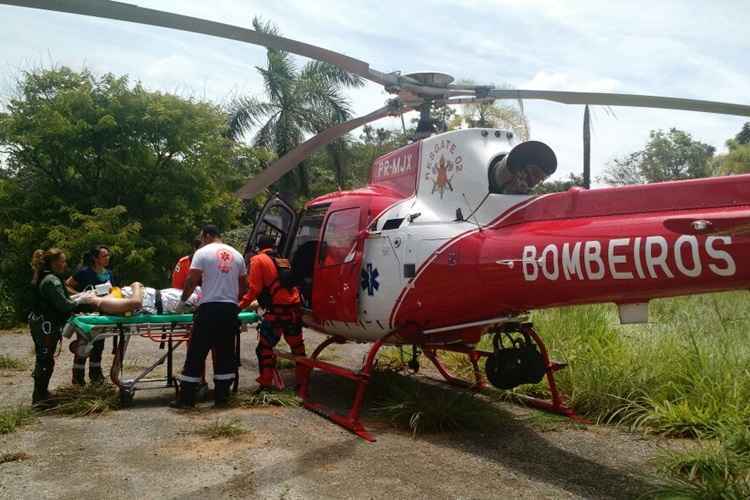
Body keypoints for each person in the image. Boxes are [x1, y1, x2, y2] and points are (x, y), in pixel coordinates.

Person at [171, 225, 247, 408]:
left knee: (196, 352)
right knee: (225, 352)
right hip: (229, 310)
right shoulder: (237, 255)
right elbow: (244, 285)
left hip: (209, 308)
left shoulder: (202, 252)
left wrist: (182, 302)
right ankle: (222, 398)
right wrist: (233, 300)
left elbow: (191, 280)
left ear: (207, 235)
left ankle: (187, 399)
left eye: (202, 237)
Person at [28, 248, 96, 406]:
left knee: (46, 358)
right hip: (45, 325)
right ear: (54, 262)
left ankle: (42, 393)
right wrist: (81, 301)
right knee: (45, 360)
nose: (65, 264)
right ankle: (39, 398)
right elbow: (64, 305)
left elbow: (62, 298)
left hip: (45, 323)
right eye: (63, 261)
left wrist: (78, 297)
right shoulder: (51, 280)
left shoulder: (50, 278)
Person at [239, 235, 306, 390]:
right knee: (298, 348)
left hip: (276, 313)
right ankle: (303, 383)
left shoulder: (258, 260)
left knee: (264, 348)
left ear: (259, 247)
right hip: (293, 311)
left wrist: (240, 306)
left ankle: (266, 382)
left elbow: (254, 289)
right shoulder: (283, 260)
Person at [65, 245, 115, 385]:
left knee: (99, 344)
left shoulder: (109, 273)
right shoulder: (84, 272)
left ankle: (96, 376)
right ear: (95, 258)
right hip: (85, 314)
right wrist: (82, 296)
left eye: (108, 255)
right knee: (83, 345)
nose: (107, 258)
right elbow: (66, 285)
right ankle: (78, 378)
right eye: (104, 256)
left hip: (102, 314)